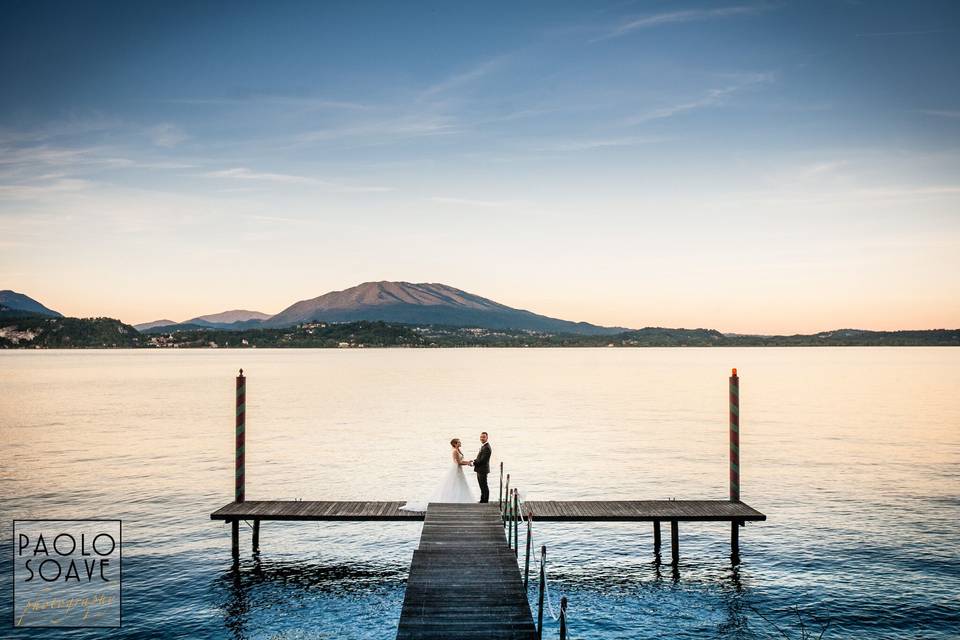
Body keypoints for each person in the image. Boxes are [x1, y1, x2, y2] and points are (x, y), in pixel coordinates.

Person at [400, 438, 475, 511]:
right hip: (456, 470)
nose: (460, 443)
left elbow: (461, 461)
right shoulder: (455, 451)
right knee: (456, 484)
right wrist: (468, 463)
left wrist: (468, 461)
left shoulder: (458, 450)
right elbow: (458, 463)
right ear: (455, 444)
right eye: (458, 442)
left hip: (459, 470)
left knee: (460, 484)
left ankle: (460, 500)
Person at [469, 431, 492, 503]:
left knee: (484, 485)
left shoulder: (487, 447)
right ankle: (482, 500)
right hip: (480, 469)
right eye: (481, 437)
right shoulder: (484, 446)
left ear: (487, 438)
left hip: (483, 470)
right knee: (482, 485)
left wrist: (473, 463)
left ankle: (485, 501)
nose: (482, 438)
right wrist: (473, 460)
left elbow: (483, 460)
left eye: (483, 437)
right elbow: (479, 458)